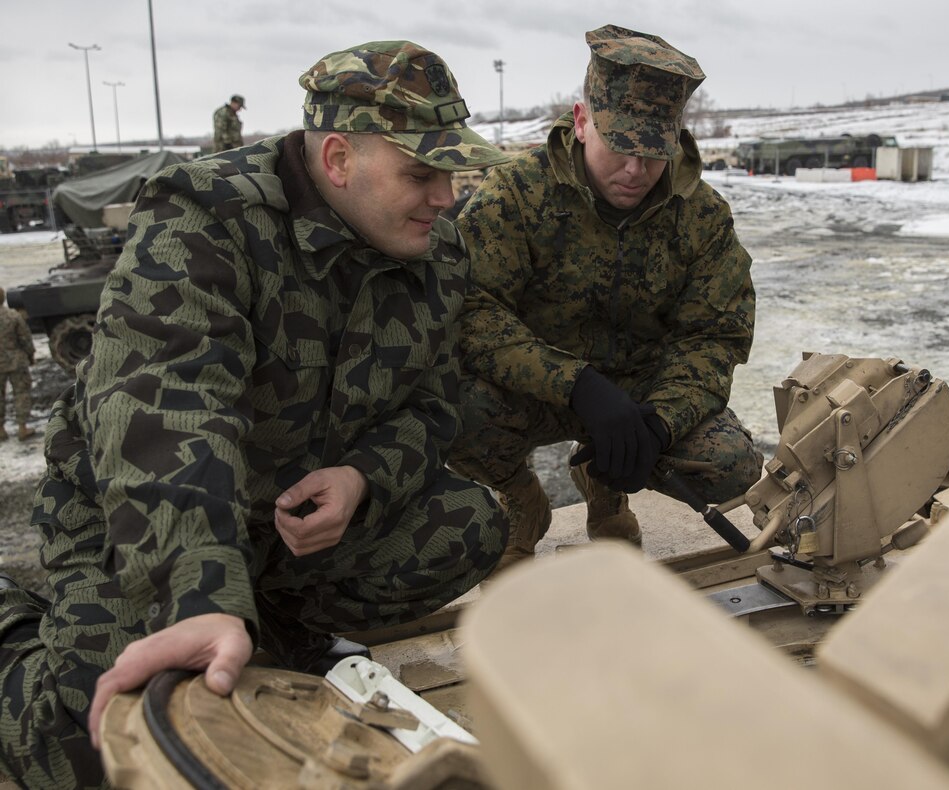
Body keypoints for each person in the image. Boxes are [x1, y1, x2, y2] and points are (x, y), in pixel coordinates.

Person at [0, 40, 508, 788]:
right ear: (338, 160)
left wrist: (362, 477)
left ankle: (273, 624)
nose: (446, 197)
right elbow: (163, 408)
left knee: (468, 525)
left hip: (284, 519)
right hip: (139, 515)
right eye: (422, 174)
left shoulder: (436, 249)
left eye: (451, 175)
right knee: (109, 748)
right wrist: (200, 595)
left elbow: (434, 402)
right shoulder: (204, 216)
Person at [449, 24, 763, 568]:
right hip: (537, 385)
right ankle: (521, 498)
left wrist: (662, 420)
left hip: (641, 390)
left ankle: (603, 485)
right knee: (442, 407)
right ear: (581, 122)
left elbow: (715, 334)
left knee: (731, 463)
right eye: (619, 146)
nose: (636, 170)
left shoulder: (701, 214)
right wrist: (576, 385)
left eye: (654, 151)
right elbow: (471, 310)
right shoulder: (516, 194)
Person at [0, 286, 36, 441]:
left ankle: (0, 429)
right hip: (16, 361)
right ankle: (22, 427)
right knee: (21, 393)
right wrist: (31, 354)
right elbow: (25, 338)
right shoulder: (13, 316)